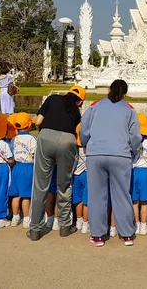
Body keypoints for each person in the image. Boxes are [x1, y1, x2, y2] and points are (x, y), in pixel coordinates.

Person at [79, 80, 142, 247]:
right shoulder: (129, 109)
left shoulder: (95, 106)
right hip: (120, 154)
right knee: (122, 195)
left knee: (97, 195)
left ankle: (98, 235)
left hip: (96, 153)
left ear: (109, 89)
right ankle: (127, 234)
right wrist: (132, 149)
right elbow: (135, 136)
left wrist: (86, 143)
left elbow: (83, 129)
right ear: (124, 94)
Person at [28, 85, 85, 241]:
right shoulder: (76, 111)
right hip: (68, 141)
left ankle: (35, 229)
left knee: (41, 186)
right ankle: (65, 226)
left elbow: (38, 121)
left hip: (46, 137)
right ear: (80, 102)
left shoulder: (52, 99)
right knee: (64, 185)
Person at [9, 113, 37, 229]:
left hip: (17, 167)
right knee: (26, 195)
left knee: (16, 194)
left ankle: (15, 217)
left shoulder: (13, 139)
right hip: (28, 167)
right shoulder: (32, 139)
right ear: (29, 124)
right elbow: (36, 154)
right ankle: (26, 218)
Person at [131, 112, 147, 236]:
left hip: (134, 171)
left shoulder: (131, 141)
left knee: (135, 201)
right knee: (144, 201)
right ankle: (144, 226)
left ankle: (136, 224)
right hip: (145, 172)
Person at [73, 123, 89, 234]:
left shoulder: (73, 147)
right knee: (86, 201)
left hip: (76, 174)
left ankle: (78, 220)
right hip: (87, 174)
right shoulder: (91, 147)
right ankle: (85, 223)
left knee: (77, 199)